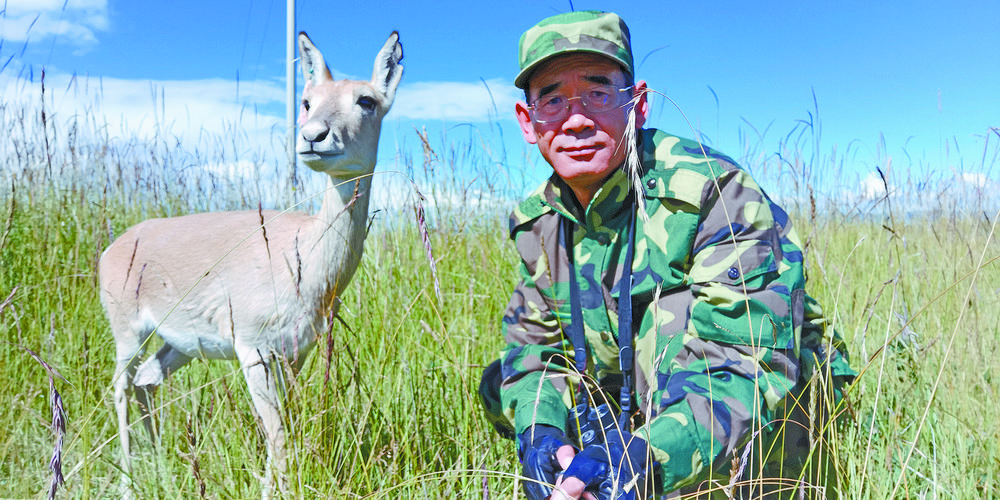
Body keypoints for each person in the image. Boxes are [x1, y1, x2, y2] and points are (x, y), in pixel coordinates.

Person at [478, 10, 856, 500]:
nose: (576, 120)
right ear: (528, 122)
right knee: (500, 383)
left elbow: (747, 360)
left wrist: (646, 459)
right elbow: (532, 351)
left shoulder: (710, 192)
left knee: (667, 322)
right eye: (552, 100)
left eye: (598, 94)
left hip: (766, 399)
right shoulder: (541, 224)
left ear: (637, 105)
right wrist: (542, 435)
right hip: (641, 398)